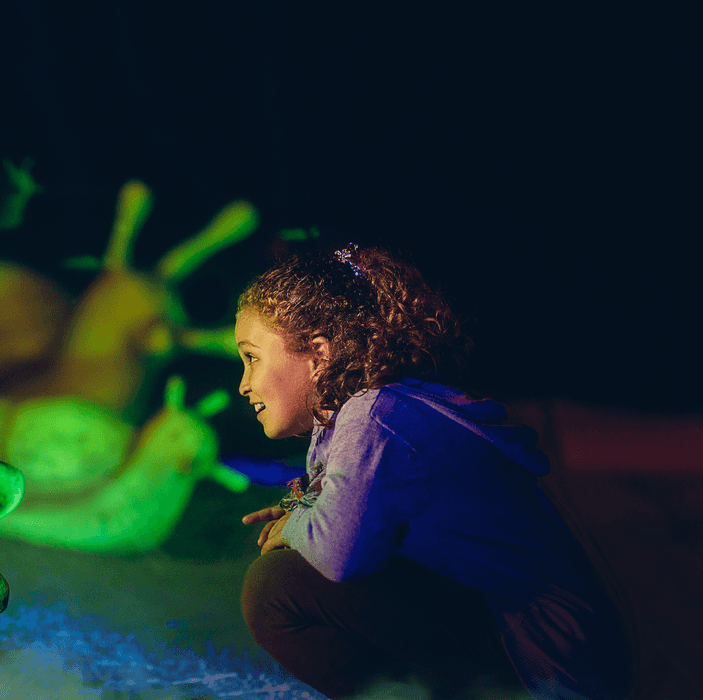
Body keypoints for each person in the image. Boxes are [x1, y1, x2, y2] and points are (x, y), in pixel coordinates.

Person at [235, 245, 633, 700]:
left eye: (252, 358)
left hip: (549, 663)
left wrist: (295, 525)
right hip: (534, 643)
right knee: (295, 570)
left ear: (318, 353)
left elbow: (340, 556)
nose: (243, 384)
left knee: (277, 587)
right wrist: (302, 512)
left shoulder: (374, 415)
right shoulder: (367, 412)